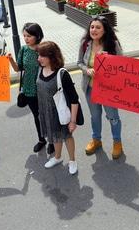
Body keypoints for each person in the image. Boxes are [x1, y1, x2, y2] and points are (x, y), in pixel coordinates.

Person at [77, 16, 123, 159]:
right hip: (90, 88)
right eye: (92, 27)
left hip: (108, 89)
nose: (94, 30)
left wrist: (109, 59)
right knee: (95, 116)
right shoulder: (85, 43)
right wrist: (87, 70)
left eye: (98, 27)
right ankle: (96, 140)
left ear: (105, 30)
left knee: (112, 116)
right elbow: (79, 62)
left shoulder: (113, 44)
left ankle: (117, 142)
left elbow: (122, 65)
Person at [8, 23, 55, 155]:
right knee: (37, 116)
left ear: (37, 36)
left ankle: (51, 140)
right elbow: (18, 68)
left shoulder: (43, 49)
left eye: (29, 36)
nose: (26, 38)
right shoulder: (23, 50)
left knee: (47, 115)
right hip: (29, 90)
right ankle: (41, 139)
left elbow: (53, 66)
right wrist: (11, 60)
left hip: (44, 88)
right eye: (24, 36)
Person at [36, 41, 80, 175]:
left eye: (42, 56)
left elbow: (74, 99)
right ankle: (57, 157)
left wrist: (72, 121)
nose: (39, 58)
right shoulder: (40, 69)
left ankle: (72, 161)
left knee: (66, 136)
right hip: (46, 112)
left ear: (52, 56)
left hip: (60, 113)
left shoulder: (62, 74)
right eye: (38, 55)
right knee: (54, 137)